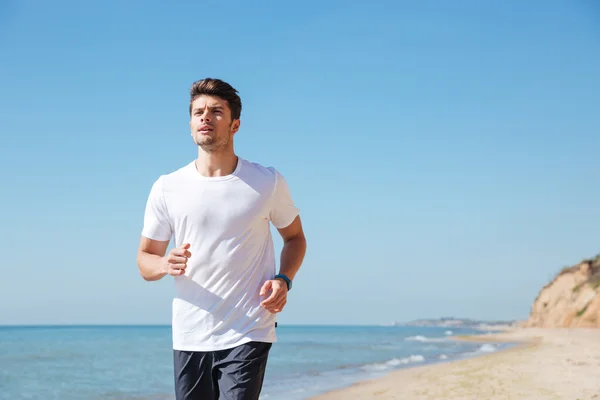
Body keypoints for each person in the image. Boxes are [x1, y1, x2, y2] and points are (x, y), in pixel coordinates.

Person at [136, 78, 307, 400]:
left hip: (250, 327)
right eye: (198, 112)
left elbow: (295, 237)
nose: (205, 117)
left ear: (235, 125)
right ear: (189, 124)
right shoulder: (167, 187)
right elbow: (144, 260)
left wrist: (284, 278)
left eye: (216, 111)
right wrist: (163, 263)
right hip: (190, 333)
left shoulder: (266, 181)